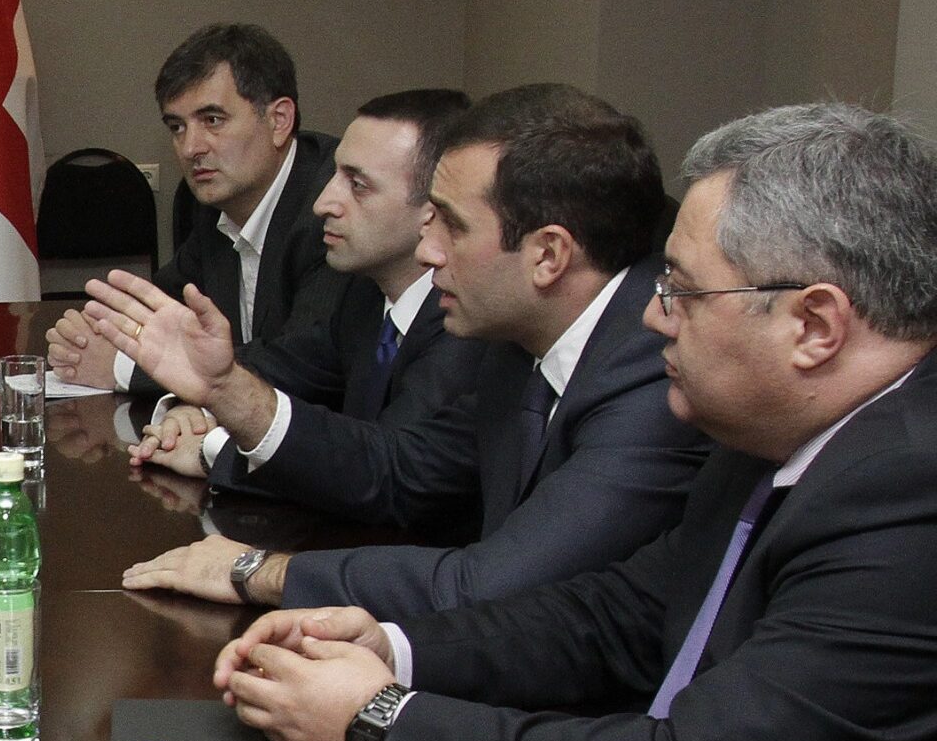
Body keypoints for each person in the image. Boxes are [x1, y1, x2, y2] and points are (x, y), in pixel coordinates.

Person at [210, 102, 937, 741]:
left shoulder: (908, 496)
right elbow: (614, 617)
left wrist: (379, 720)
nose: (654, 317)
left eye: (684, 293)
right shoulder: (772, 433)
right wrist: (392, 646)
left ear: (816, 326)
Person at [87, 84, 709, 618]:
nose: (428, 248)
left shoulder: (649, 374)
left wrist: (263, 572)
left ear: (548, 255)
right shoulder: (516, 336)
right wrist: (222, 391)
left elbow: (491, 577)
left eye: (451, 224)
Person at [128, 89, 485, 493]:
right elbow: (289, 370)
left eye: (358, 185)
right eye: (335, 174)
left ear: (432, 208)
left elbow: (392, 472)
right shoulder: (365, 296)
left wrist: (212, 447)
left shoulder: (466, 327)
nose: (324, 202)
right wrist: (201, 409)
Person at [45, 23, 348, 393]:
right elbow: (164, 307)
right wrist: (96, 335)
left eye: (212, 120)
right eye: (177, 127)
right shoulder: (215, 205)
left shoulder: (334, 205)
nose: (190, 149)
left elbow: (305, 363)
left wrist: (123, 367)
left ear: (278, 121)